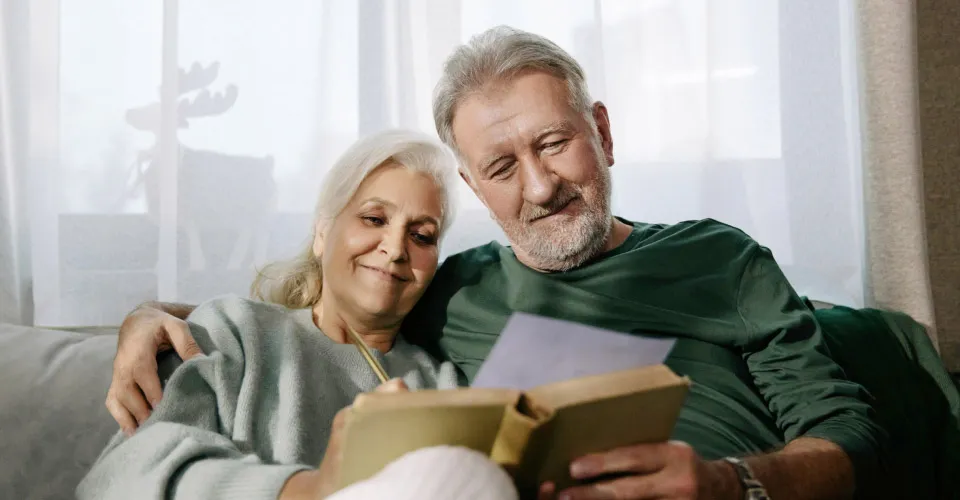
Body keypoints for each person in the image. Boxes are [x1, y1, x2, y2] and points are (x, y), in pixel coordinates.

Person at [105, 27, 885, 500]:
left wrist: (731, 485)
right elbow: (332, 307)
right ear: (474, 186)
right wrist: (151, 317)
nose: (541, 186)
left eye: (554, 144)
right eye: (502, 166)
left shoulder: (720, 259)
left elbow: (849, 434)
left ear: (602, 134)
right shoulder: (450, 289)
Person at [77, 130, 523, 499]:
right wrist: (306, 489)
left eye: (421, 235)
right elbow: (118, 477)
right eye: (373, 219)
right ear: (322, 232)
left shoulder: (443, 386)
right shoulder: (233, 333)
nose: (394, 248)